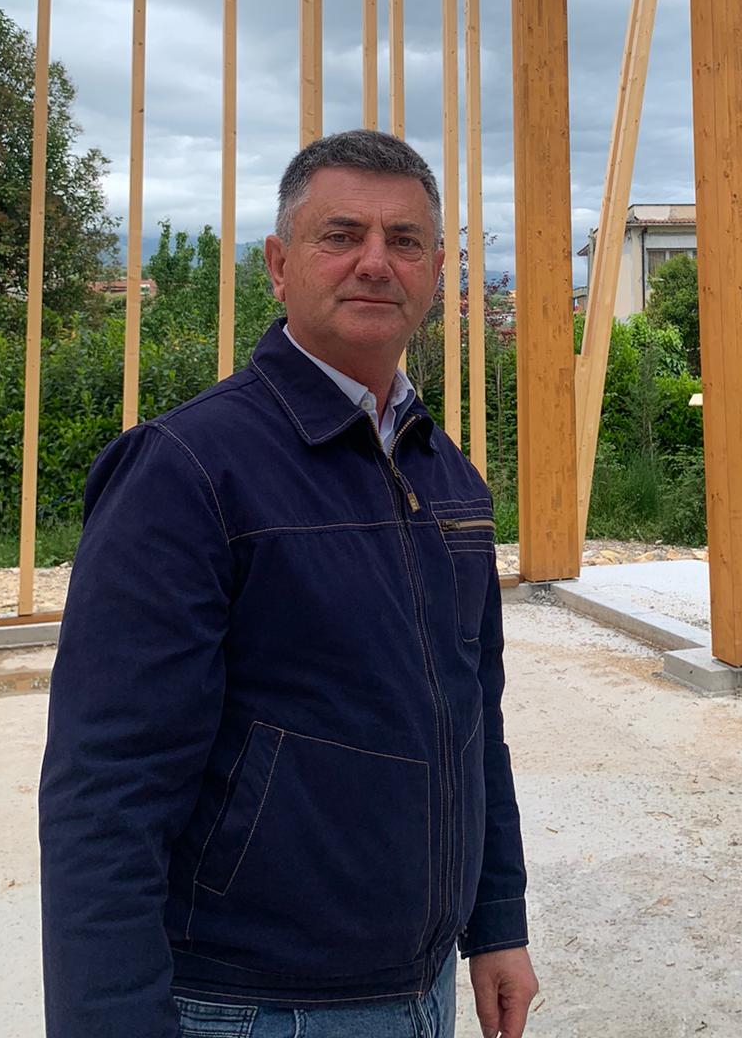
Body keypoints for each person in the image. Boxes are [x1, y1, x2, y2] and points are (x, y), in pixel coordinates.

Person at [39, 130, 538, 1038]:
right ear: (278, 265)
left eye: (406, 241)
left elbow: (475, 720)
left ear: (436, 273)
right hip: (253, 1004)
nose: (375, 262)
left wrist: (497, 920)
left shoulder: (448, 478)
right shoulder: (189, 470)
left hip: (420, 987)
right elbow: (107, 788)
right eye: (341, 235)